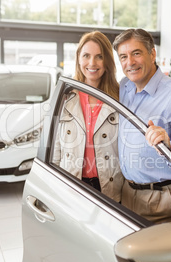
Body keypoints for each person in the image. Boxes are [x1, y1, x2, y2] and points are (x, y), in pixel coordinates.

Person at [113, 28, 171, 228]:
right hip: (127, 194)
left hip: (162, 200)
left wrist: (169, 142)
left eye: (136, 53)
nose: (130, 62)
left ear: (152, 54)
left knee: (158, 258)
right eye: (123, 57)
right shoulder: (125, 87)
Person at [53, 31, 124, 202]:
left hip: (109, 186)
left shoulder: (120, 97)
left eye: (99, 56)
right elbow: (55, 147)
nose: (92, 63)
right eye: (86, 55)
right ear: (78, 58)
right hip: (71, 184)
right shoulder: (65, 95)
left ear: (107, 61)